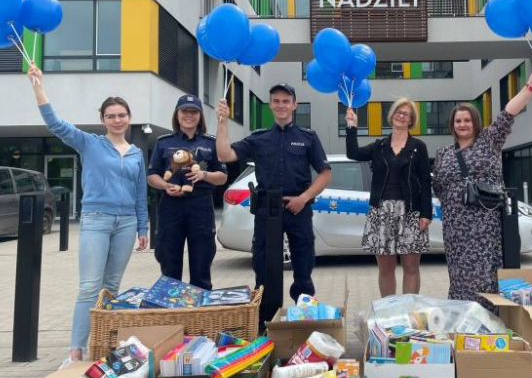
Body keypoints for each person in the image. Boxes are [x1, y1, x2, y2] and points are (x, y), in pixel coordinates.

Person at [27, 65, 148, 367]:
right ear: (103, 120)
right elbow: (55, 123)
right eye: (111, 116)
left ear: (128, 117)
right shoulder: (89, 143)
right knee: (90, 287)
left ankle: (102, 344)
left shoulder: (135, 153)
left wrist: (143, 227)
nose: (117, 120)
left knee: (112, 287)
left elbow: (141, 193)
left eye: (122, 115)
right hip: (96, 219)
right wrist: (38, 85)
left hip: (127, 224)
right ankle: (76, 351)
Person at [432, 66, 532, 306]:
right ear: (452, 125)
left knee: (484, 272)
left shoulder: (489, 141)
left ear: (475, 122)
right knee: (459, 273)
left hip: (484, 225)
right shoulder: (443, 153)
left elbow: (507, 114)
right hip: (455, 227)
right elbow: (438, 186)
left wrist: (530, 86)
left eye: (467, 120)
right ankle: (462, 313)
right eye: (457, 121)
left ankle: (488, 316)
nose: (462, 124)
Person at [216, 83, 332, 302]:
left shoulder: (308, 137)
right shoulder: (258, 138)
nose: (281, 105)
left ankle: (302, 317)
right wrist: (222, 122)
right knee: (263, 265)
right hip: (267, 209)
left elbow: (325, 174)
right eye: (276, 101)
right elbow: (224, 155)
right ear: (270, 105)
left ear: (294, 105)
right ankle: (265, 320)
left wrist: (304, 198)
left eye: (286, 101)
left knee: (303, 264)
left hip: (299, 208)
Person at [345, 98, 432, 297]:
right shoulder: (379, 146)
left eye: (406, 113)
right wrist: (351, 126)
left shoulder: (418, 146)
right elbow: (353, 153)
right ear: (391, 116)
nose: (402, 116)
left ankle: (409, 311)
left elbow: (426, 180)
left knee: (410, 267)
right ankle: (388, 313)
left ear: (411, 120)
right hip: (381, 211)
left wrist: (425, 213)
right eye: (398, 112)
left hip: (411, 211)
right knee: (386, 268)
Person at [147, 95, 228, 290]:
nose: (189, 115)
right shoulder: (163, 142)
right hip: (170, 207)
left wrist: (204, 175)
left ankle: (201, 315)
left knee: (202, 263)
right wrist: (166, 186)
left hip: (200, 205)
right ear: (177, 114)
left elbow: (223, 177)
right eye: (185, 111)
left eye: (194, 112)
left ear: (200, 116)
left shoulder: (211, 143)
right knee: (169, 262)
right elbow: (152, 176)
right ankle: (172, 311)